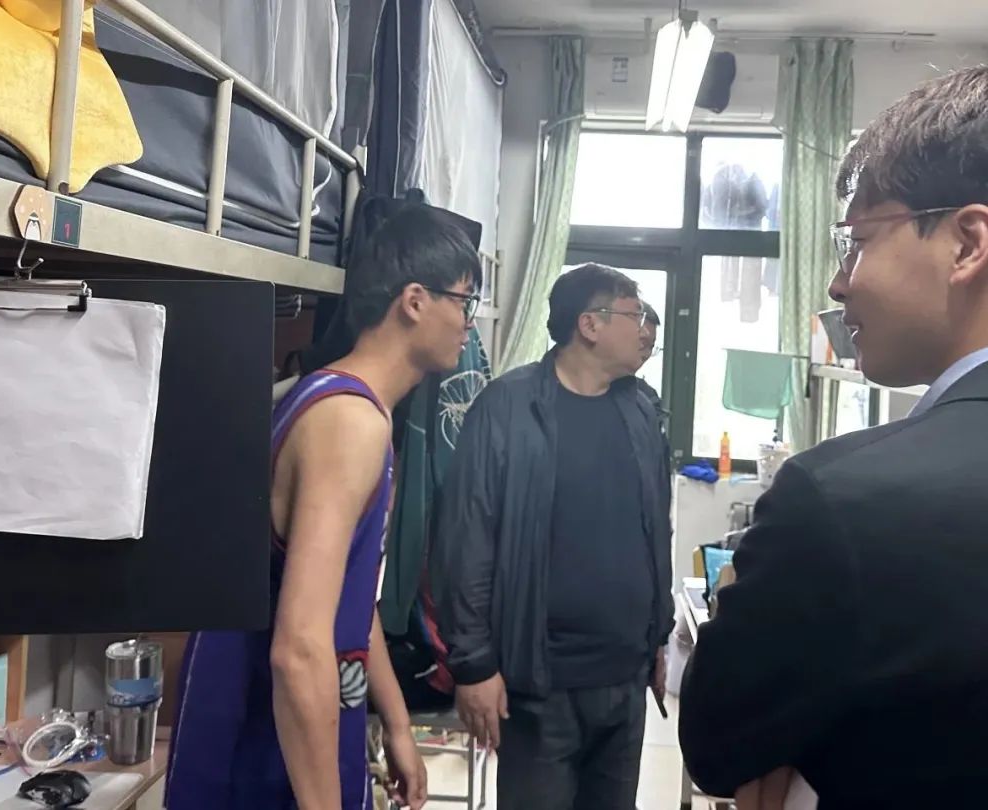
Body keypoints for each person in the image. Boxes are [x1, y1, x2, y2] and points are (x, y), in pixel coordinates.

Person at [678, 66, 988, 809]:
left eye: (858, 243)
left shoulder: (845, 501)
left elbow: (718, 744)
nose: (838, 284)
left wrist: (738, 592)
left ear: (967, 244)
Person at [165, 204, 483, 810]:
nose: (469, 323)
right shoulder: (348, 422)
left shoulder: (342, 403)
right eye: (464, 301)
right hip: (265, 743)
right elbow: (298, 649)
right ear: (415, 302)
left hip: (300, 721)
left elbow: (349, 598)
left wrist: (396, 723)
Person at [432, 264, 673, 810]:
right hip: (540, 686)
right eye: (635, 315)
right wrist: (473, 665)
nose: (645, 331)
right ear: (590, 324)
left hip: (624, 680)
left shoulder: (640, 409)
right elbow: (466, 541)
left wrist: (658, 637)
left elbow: (656, 529)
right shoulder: (507, 407)